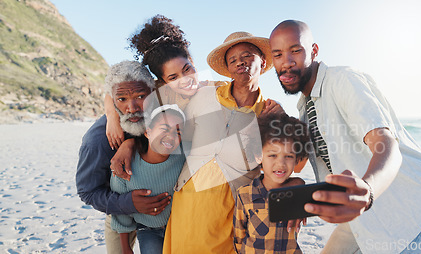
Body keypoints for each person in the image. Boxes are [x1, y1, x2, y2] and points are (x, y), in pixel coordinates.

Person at [269, 20, 421, 254]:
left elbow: (386, 144)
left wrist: (368, 190)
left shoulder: (343, 80)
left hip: (411, 204)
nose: (286, 62)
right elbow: (299, 164)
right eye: (278, 54)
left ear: (314, 51)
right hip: (360, 211)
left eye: (296, 50)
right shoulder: (305, 107)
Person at [161, 31, 284, 254]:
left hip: (231, 211)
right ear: (227, 68)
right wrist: (127, 143)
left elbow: (287, 165)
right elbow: (169, 130)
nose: (240, 62)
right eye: (233, 60)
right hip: (187, 202)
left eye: (247, 56)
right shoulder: (203, 96)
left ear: (263, 62)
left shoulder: (269, 114)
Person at [76, 60, 171, 254]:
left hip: (163, 211)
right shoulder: (96, 141)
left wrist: (131, 143)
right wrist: (128, 203)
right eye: (122, 100)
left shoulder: (161, 116)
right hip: (119, 211)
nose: (132, 107)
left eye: (140, 96)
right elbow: (87, 191)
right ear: (113, 100)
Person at [104, 14, 221, 152]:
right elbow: (110, 93)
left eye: (187, 69)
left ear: (192, 61)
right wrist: (112, 118)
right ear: (162, 81)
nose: (184, 80)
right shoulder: (162, 91)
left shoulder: (216, 88)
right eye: (173, 78)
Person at [111, 104, 186, 254]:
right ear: (147, 132)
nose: (170, 136)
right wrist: (125, 248)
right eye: (164, 129)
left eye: (177, 132)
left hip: (179, 228)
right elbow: (120, 210)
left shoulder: (184, 160)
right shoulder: (125, 166)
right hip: (148, 230)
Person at [234, 113, 310, 254]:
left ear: (297, 158)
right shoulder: (244, 195)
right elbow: (239, 238)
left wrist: (300, 185)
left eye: (289, 156)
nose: (280, 163)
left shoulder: (300, 194)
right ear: (258, 156)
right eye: (272, 155)